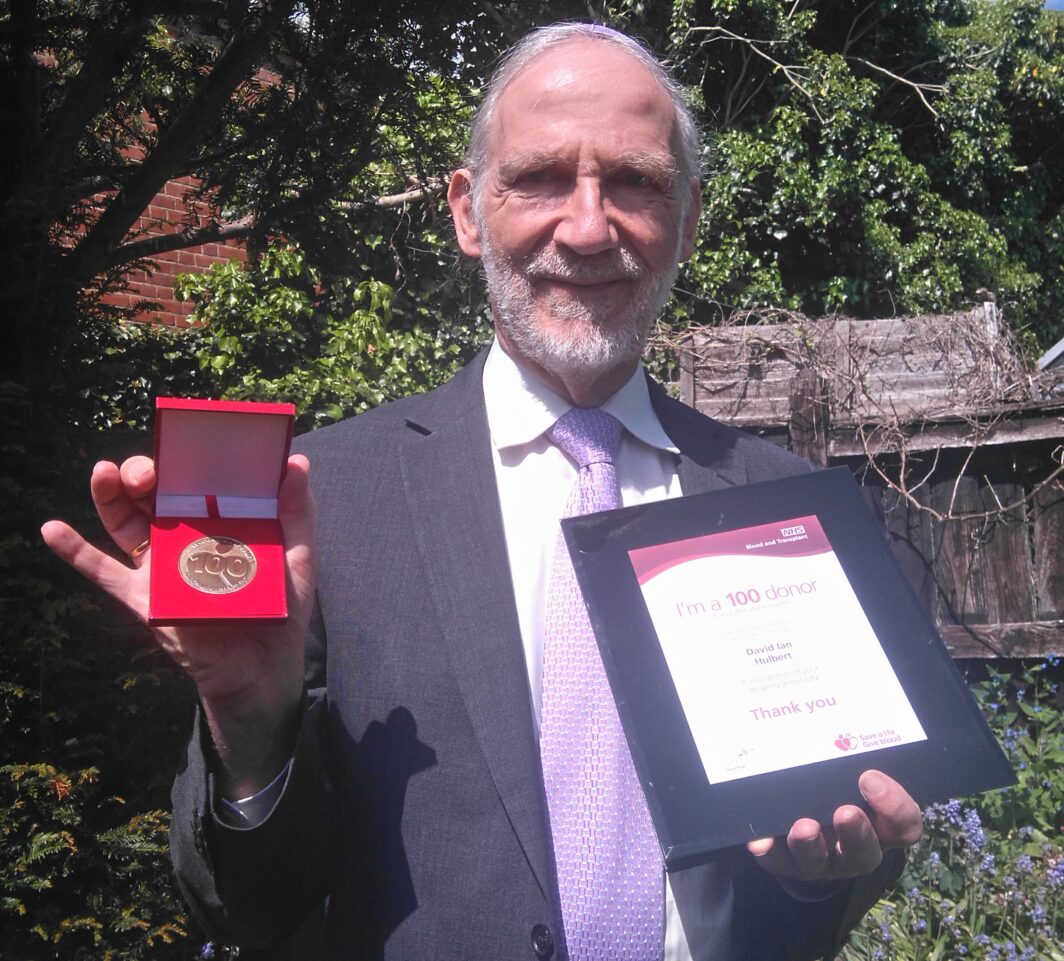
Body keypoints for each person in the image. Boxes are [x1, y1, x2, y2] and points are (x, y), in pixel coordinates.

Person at [42, 23, 923, 961]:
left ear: (690, 217)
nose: (588, 227)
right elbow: (247, 912)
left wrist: (820, 870)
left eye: (634, 182)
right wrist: (252, 733)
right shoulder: (321, 498)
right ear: (467, 212)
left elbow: (835, 862)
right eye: (540, 177)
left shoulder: (788, 511)